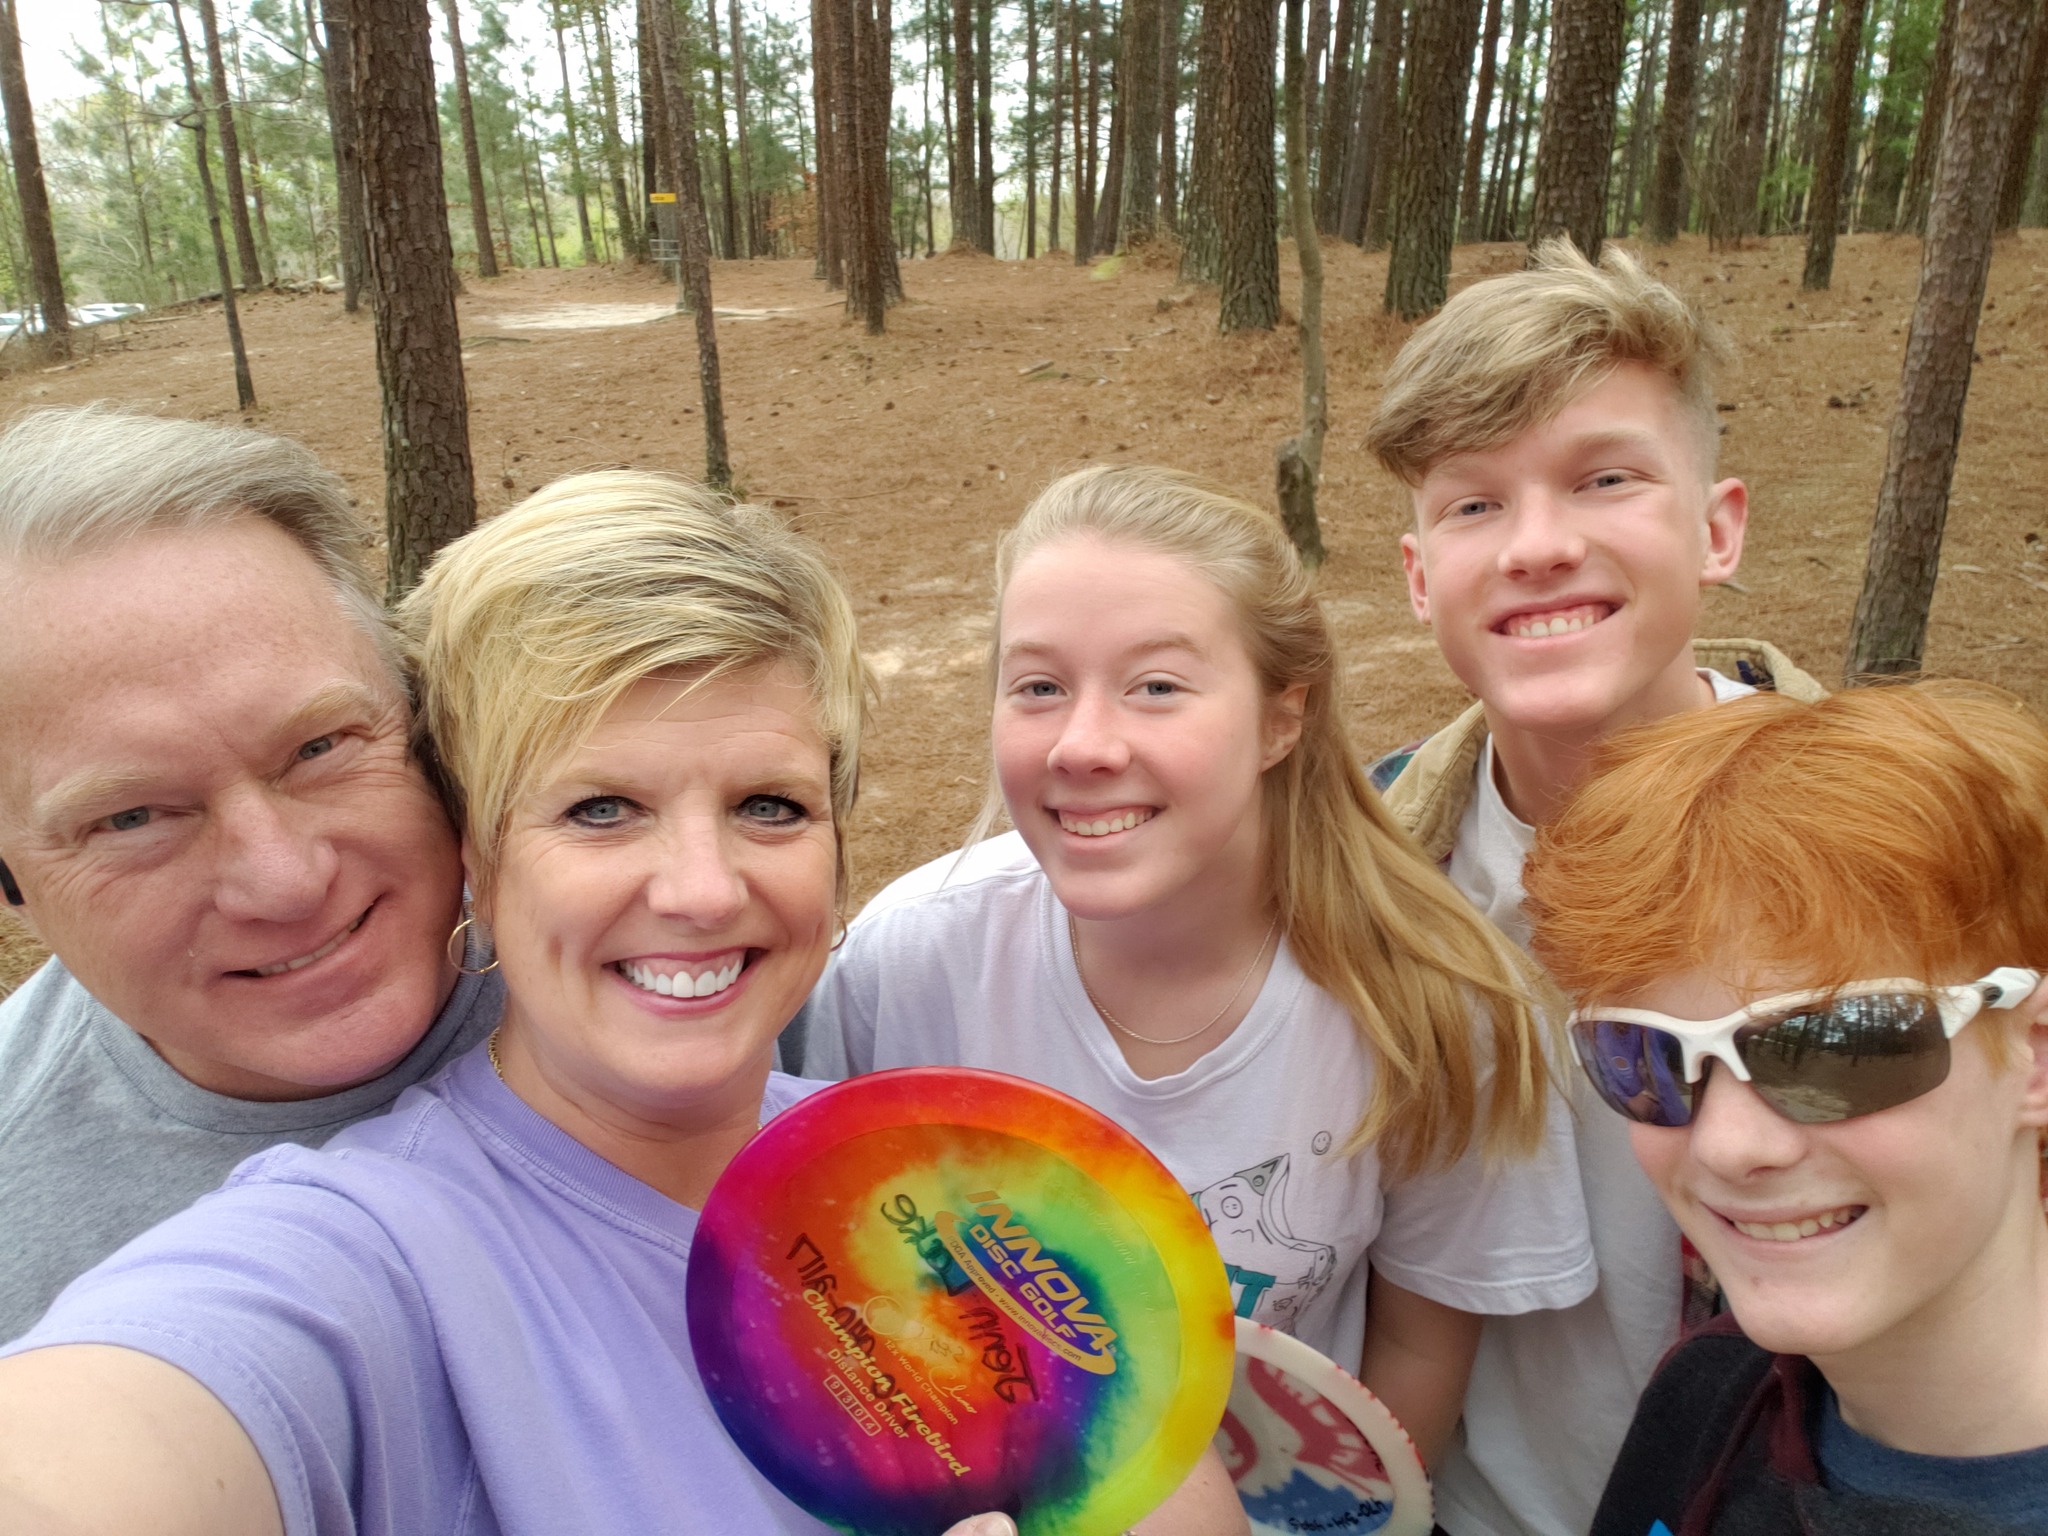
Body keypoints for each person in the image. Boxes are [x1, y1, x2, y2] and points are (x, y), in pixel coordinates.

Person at [0, 471, 1244, 1536]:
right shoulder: (363, 1249)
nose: (703, 891)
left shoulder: (983, 1194)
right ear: (473, 855)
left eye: (770, 806)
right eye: (600, 809)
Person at [801, 464, 1597, 1468]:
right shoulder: (910, 960)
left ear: (1282, 716)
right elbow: (811, 1285)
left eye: (1156, 687)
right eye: (1038, 686)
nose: (1083, 744)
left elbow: (1415, 1353)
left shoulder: (1433, 1004)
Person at [1358, 239, 1827, 1536]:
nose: (1538, 547)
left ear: (1717, 525)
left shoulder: (1899, 869)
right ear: (1419, 580)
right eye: (1473, 505)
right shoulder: (1367, 874)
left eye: (1604, 478)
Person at [0, 405, 498, 1341]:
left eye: (318, 747)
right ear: (11, 883)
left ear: (420, 712)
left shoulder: (681, 956)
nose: (285, 882)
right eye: (134, 817)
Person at [1518, 683, 2048, 1535]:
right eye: (1642, 1052)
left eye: (1834, 1044)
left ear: (2036, 1053)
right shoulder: (1704, 1392)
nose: (1731, 1145)